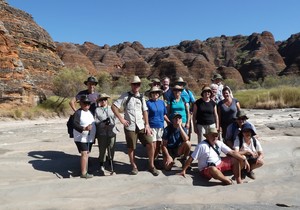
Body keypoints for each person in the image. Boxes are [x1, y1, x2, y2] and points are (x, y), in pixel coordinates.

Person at [111, 75, 159, 176]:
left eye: (138, 84)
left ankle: (151, 165)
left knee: (150, 143)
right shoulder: (125, 95)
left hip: (141, 125)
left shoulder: (142, 97)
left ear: (140, 85)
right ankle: (134, 166)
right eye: (134, 84)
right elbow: (114, 107)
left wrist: (147, 124)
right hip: (130, 126)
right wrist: (121, 119)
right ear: (131, 85)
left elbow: (145, 111)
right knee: (131, 147)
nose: (136, 86)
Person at [179, 127, 250, 185]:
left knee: (235, 159)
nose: (214, 137)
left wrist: (244, 159)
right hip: (206, 169)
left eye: (216, 135)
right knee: (213, 169)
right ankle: (226, 180)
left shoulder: (219, 143)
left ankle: (239, 180)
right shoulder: (202, 146)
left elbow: (232, 152)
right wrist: (183, 170)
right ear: (207, 136)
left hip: (219, 163)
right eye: (212, 135)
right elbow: (191, 158)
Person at [73, 95, 96, 179]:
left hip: (89, 137)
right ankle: (83, 172)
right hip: (81, 137)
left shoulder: (90, 112)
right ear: (81, 104)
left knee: (87, 153)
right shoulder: (78, 113)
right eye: (85, 103)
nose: (87, 105)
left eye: (88, 103)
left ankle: (85, 169)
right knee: (84, 153)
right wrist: (84, 128)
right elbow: (74, 124)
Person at [95, 93, 118, 174]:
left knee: (112, 146)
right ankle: (102, 163)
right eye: (101, 100)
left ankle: (110, 161)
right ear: (99, 101)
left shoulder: (112, 108)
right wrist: (103, 124)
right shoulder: (97, 110)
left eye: (105, 99)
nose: (103, 101)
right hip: (102, 132)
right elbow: (96, 121)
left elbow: (116, 118)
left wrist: (111, 123)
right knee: (102, 148)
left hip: (112, 131)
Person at [146, 86, 171, 160]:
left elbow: (164, 114)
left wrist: (169, 122)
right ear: (151, 94)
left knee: (158, 146)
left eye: (156, 92)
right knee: (152, 145)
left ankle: (154, 160)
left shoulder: (161, 102)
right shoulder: (148, 103)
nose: (155, 94)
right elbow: (145, 115)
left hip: (160, 126)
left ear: (159, 94)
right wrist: (146, 126)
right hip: (152, 126)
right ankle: (151, 162)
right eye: (153, 92)